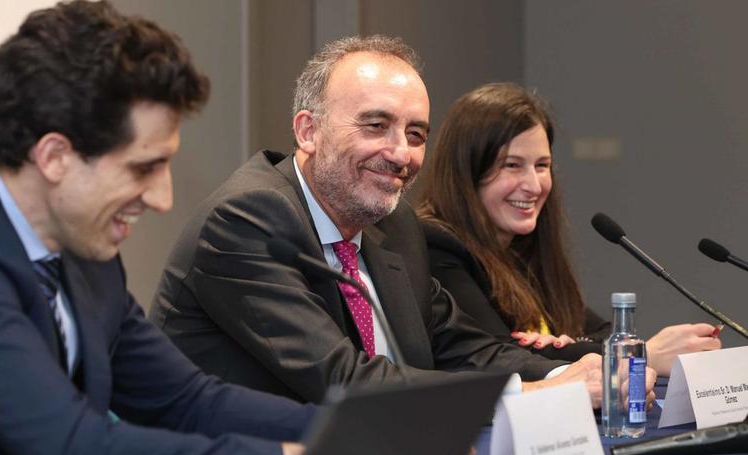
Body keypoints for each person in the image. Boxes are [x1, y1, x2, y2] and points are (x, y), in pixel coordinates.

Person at [0, 2, 314, 455]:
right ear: (55, 156)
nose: (163, 199)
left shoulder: (76, 242)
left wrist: (345, 434)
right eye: (143, 168)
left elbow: (187, 402)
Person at [150, 36, 644, 407]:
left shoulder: (395, 225)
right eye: (375, 126)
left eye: (415, 133)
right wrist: (541, 396)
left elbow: (465, 349)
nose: (401, 153)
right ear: (309, 130)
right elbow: (348, 383)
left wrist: (576, 374)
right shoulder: (246, 220)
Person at [416, 82, 721, 375]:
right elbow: (496, 356)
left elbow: (601, 331)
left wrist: (568, 347)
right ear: (467, 170)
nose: (534, 186)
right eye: (512, 165)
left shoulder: (521, 249)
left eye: (542, 165)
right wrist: (637, 355)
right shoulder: (438, 245)